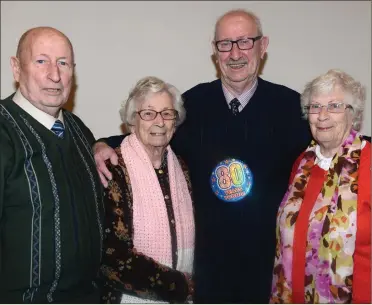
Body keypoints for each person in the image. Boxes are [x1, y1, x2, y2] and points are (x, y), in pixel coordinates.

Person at [94, 9, 312, 303]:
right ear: (214, 51)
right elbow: (152, 131)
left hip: (265, 274)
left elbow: (331, 141)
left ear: (263, 45)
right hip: (205, 277)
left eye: (245, 42)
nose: (235, 53)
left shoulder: (290, 107)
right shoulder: (193, 104)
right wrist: (101, 144)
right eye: (225, 44)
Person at [0, 27, 103, 303]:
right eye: (41, 61)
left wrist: (103, 144)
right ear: (16, 68)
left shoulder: (78, 128)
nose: (55, 75)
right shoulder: (3, 130)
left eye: (63, 63)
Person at [270, 69, 371, 304]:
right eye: (315, 107)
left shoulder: (368, 163)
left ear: (352, 114)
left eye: (335, 106)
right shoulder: (302, 164)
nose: (322, 115)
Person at [99, 76, 195, 304]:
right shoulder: (113, 169)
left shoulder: (181, 166)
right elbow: (112, 257)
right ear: (132, 121)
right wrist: (181, 285)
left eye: (167, 113)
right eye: (149, 113)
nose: (159, 122)